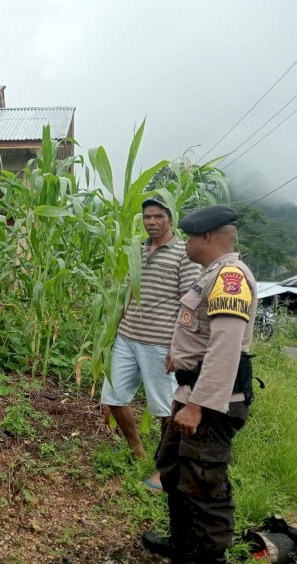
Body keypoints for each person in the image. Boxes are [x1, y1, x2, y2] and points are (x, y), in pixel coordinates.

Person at [142, 205, 258, 563]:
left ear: (206, 237)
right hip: (190, 391)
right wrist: (179, 356)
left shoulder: (229, 279)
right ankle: (182, 546)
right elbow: (203, 331)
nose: (187, 242)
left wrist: (198, 405)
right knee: (175, 470)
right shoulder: (210, 274)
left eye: (191, 236)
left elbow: (225, 349)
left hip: (210, 403)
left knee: (205, 483)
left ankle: (208, 558)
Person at [101, 196, 201, 488]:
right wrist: (115, 329)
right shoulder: (138, 251)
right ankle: (137, 451)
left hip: (160, 342)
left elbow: (189, 304)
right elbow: (128, 293)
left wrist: (178, 346)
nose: (152, 222)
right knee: (113, 396)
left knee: (165, 409)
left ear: (171, 218)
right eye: (147, 217)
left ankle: (165, 465)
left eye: (158, 217)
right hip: (127, 336)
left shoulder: (184, 253)